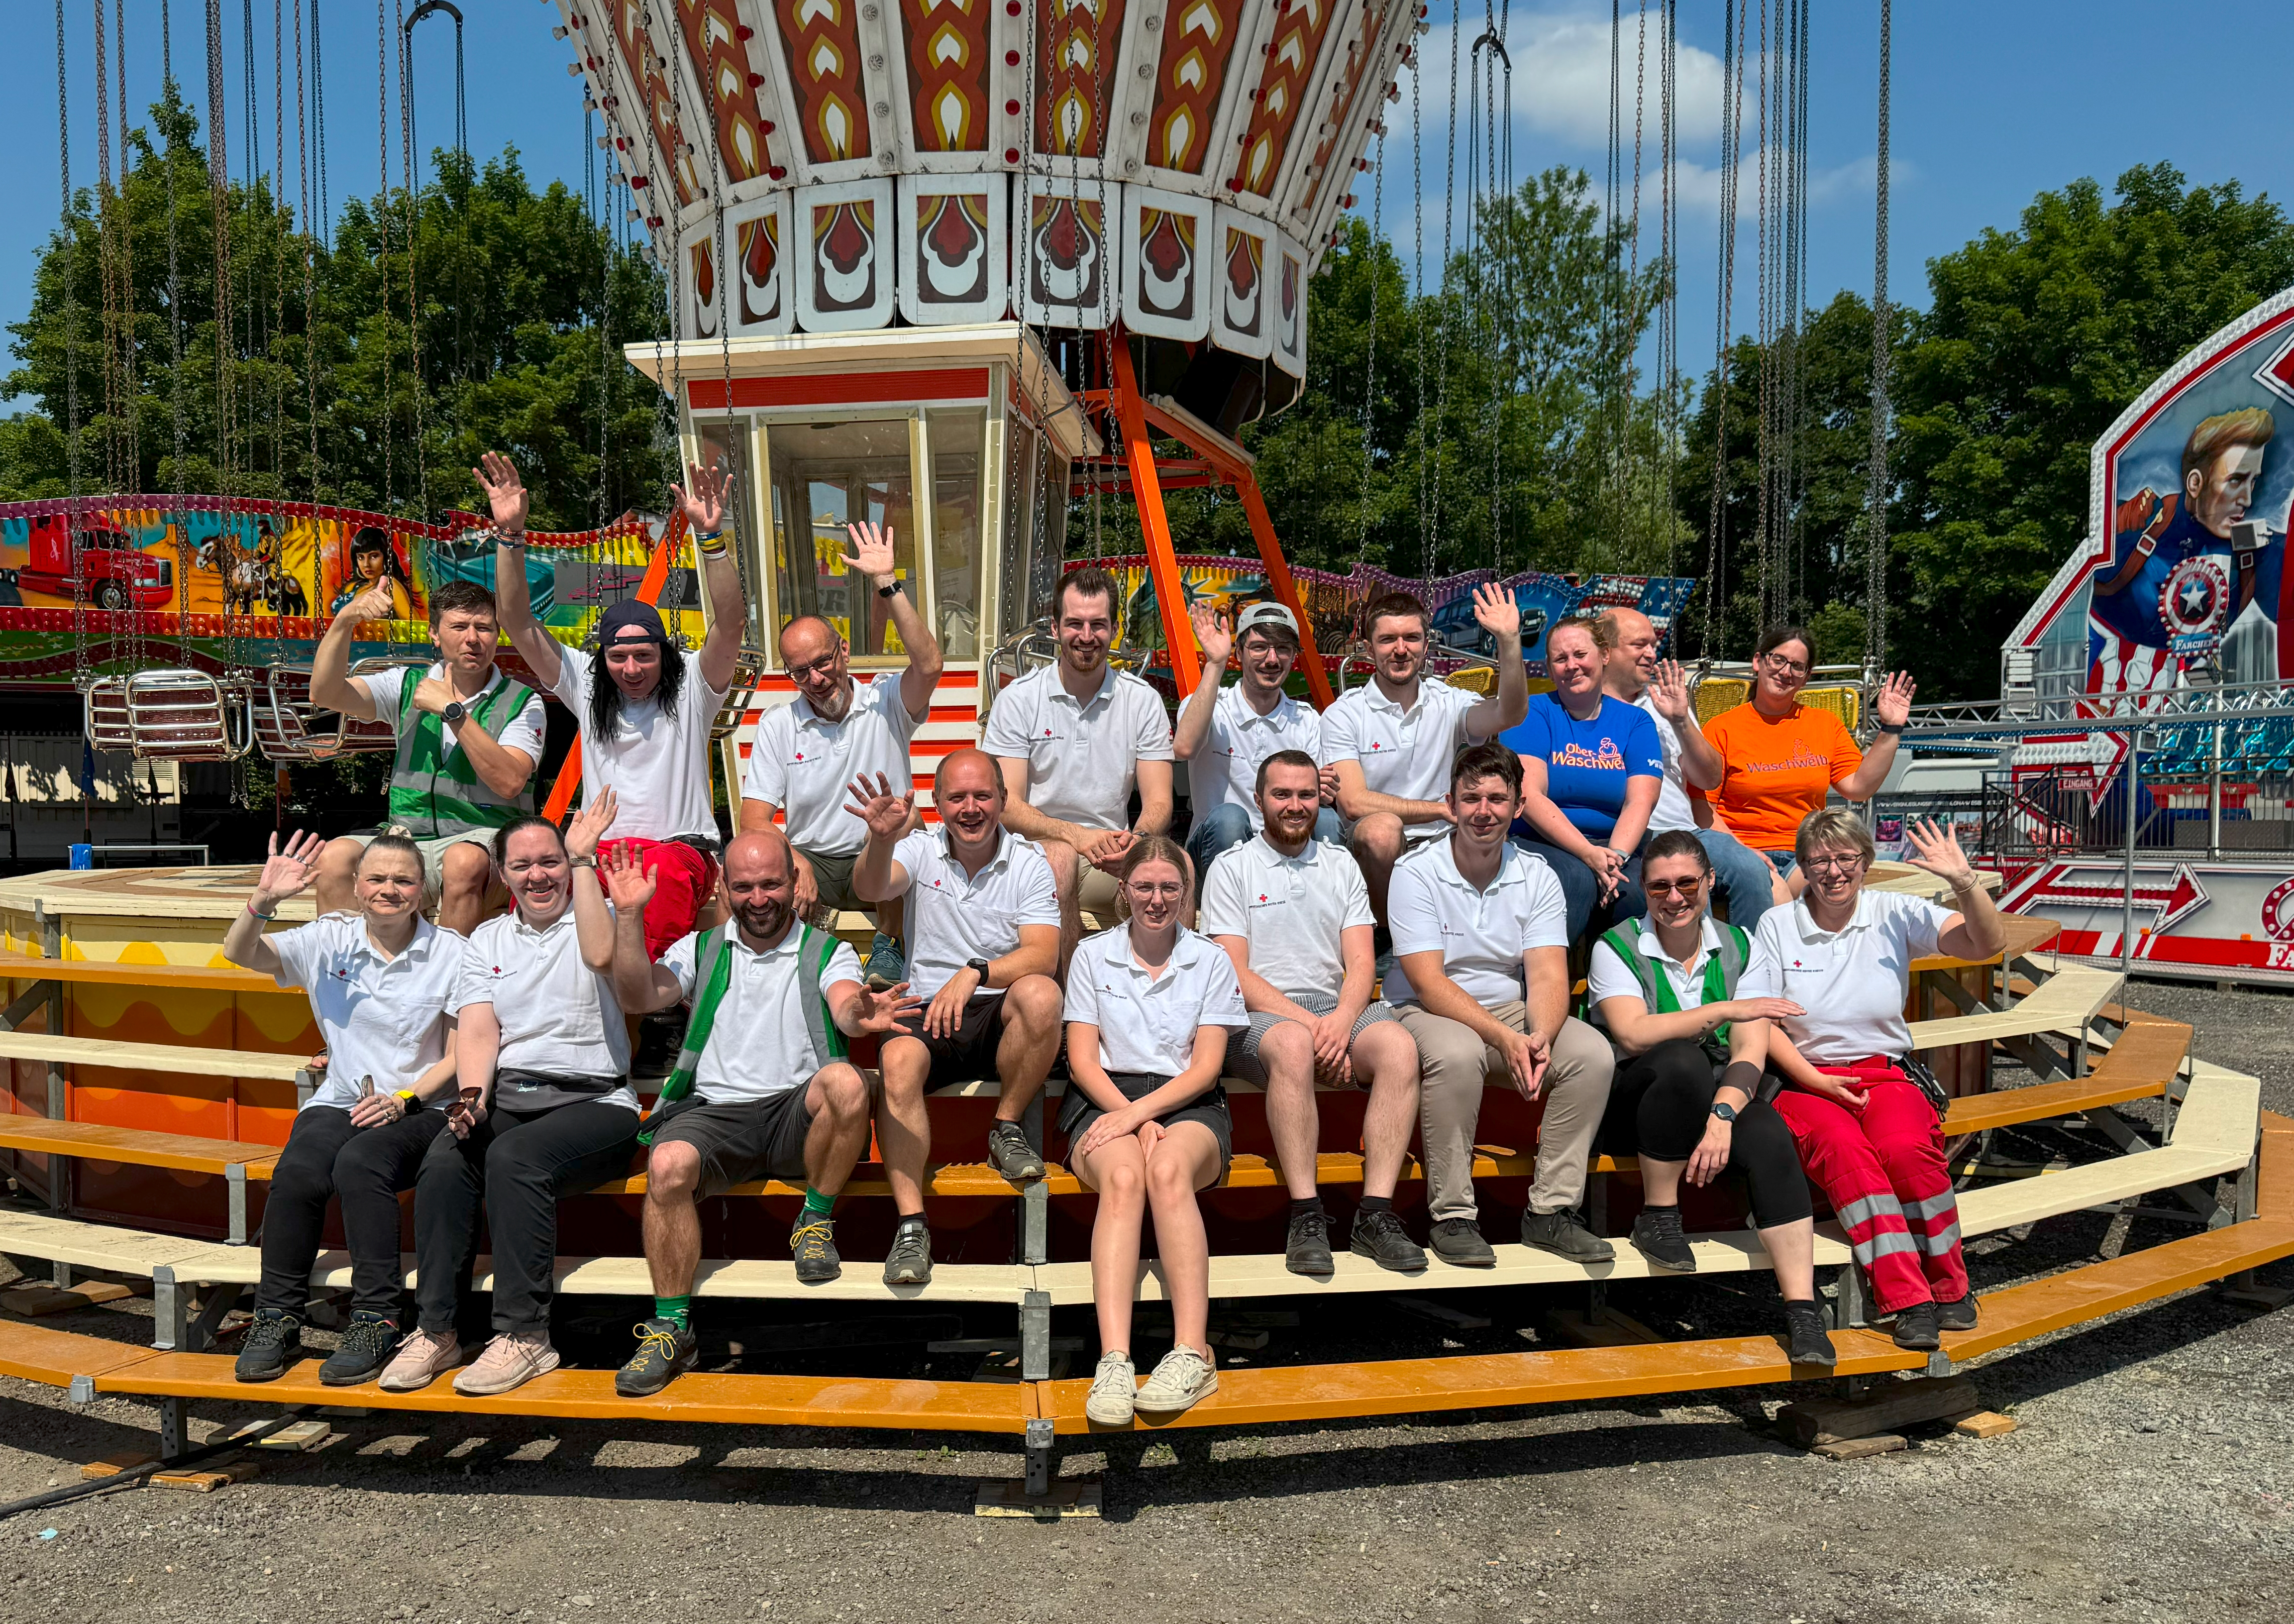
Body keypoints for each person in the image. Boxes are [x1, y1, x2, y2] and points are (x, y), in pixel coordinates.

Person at [600, 829, 915, 1395]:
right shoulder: (703, 945)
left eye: (771, 882)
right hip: (718, 1110)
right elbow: (638, 996)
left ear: (796, 884)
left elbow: (844, 999)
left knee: (847, 1080)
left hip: (796, 1113)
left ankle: (815, 1220)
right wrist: (628, 915)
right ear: (724, 886)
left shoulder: (828, 948)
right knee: (667, 1162)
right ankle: (672, 1326)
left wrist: (857, 1013)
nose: (759, 897)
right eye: (744, 886)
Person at [379, 798, 640, 1396]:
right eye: (521, 865)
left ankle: (526, 1335)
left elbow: (603, 957)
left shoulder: (593, 917)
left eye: (550, 861)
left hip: (596, 1103)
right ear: (502, 874)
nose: (537, 875)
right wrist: (471, 1097)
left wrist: (582, 860)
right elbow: (477, 1027)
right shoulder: (488, 939)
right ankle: (437, 1329)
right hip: (514, 1096)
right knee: (446, 1158)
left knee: (514, 1158)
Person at [1740, 810, 2005, 1351]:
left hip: (1884, 1073)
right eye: (1818, 860)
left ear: (1866, 860)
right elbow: (1759, 1015)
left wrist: (1964, 882)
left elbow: (1985, 944)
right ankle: (1907, 1300)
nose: (1833, 871)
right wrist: (1815, 1079)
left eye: (1845, 858)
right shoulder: (1778, 923)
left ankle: (1952, 1286)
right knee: (1848, 1156)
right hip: (1808, 1078)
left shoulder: (1895, 910)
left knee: (1908, 1151)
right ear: (1803, 864)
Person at [482, 449, 749, 957]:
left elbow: (731, 623)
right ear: (602, 657)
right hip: (600, 850)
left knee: (661, 887)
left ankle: (661, 1005)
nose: (631, 669)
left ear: (664, 653)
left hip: (679, 849)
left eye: (644, 656)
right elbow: (517, 622)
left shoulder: (692, 683)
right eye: (619, 657)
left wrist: (711, 541)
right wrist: (510, 536)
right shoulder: (585, 682)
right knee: (539, 890)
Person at [222, 832, 465, 1385]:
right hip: (344, 1097)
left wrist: (404, 1101)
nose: (389, 889)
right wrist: (264, 898)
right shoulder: (329, 938)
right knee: (299, 1169)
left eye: (403, 880)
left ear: (423, 892)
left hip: (421, 1104)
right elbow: (242, 952)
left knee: (362, 1163)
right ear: (356, 887)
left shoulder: (451, 951)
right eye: (376, 878)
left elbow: (459, 1054)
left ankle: (376, 1317)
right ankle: (276, 1314)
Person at [1587, 829, 1834, 1367]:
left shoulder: (1742, 944)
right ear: (1644, 891)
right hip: (1639, 1104)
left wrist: (1724, 1115)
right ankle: (1659, 1215)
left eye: (1686, 883)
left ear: (1710, 882)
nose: (1673, 897)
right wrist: (1721, 1011)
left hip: (1713, 1096)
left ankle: (1803, 1309)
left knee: (1767, 1133)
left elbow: (1752, 1045)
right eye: (1658, 887)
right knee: (1680, 1057)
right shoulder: (1618, 945)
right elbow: (1632, 1034)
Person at [1385, 744, 1616, 1267]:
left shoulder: (1537, 875)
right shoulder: (1416, 871)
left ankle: (1550, 1212)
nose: (1483, 810)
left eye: (1496, 798)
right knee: (1458, 1052)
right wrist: (1505, 1037)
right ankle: (1453, 1215)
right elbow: (1427, 982)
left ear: (1517, 806)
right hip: (1426, 1010)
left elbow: (1550, 974)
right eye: (1471, 798)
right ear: (1451, 803)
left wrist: (1541, 1035)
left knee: (1593, 1054)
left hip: (1508, 1011)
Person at [1199, 750, 1425, 1277]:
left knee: (1399, 1046)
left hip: (1335, 1009)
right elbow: (1234, 972)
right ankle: (1306, 1215)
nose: (1295, 805)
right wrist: (1315, 1029)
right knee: (1296, 1044)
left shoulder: (1341, 863)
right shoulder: (1233, 867)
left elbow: (1362, 960)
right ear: (1259, 801)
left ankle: (1374, 1214)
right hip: (1258, 1014)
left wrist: (1342, 1021)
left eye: (1305, 794)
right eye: (1282, 794)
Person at [847, 750, 1065, 1283]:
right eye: (957, 797)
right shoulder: (918, 849)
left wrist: (975, 972)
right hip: (927, 1008)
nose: (971, 808)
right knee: (895, 1058)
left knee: (1042, 994)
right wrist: (879, 837)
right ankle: (913, 1226)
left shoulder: (1029, 861)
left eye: (983, 795)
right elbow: (871, 888)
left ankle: (1005, 1127)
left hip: (993, 1007)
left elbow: (1043, 953)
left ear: (1004, 800)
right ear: (938, 803)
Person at [1066, 838, 1248, 1426]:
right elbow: (1084, 1062)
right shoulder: (1092, 956)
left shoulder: (1211, 958)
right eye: (1144, 886)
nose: (1156, 898)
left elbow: (1206, 1067)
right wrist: (1130, 1117)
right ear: (1124, 890)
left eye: (1170, 887)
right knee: (1123, 1175)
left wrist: (1143, 1118)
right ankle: (1115, 1359)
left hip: (1187, 1097)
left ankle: (1193, 1352)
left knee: (1168, 1171)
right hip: (1105, 1095)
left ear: (1185, 893)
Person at [738, 518, 941, 985]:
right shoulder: (780, 723)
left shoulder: (887, 700)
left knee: (901, 820)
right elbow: (753, 819)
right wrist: (795, 858)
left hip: (880, 852)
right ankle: (762, 979)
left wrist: (887, 584)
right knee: (758, 865)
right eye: (800, 671)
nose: (815, 679)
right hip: (819, 858)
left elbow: (929, 664)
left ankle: (889, 945)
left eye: (823, 662)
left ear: (844, 652)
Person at [309, 578, 547, 933]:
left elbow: (510, 781)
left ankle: (451, 983)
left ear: (498, 636)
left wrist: (452, 711)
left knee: (463, 861)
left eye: (484, 628)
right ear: (435, 634)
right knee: (334, 857)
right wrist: (344, 622)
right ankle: (342, 975)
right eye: (459, 626)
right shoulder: (406, 684)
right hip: (409, 839)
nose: (473, 638)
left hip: (487, 844)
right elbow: (326, 693)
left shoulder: (524, 702)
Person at [981, 565, 1174, 968]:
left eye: (1098, 625)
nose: (1086, 637)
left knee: (1178, 866)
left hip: (1113, 851)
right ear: (1055, 628)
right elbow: (1009, 806)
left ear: (1115, 629)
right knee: (1060, 860)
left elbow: (1159, 802)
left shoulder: (1142, 701)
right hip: (1035, 852)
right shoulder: (1019, 699)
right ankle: (1072, 1009)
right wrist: (1078, 837)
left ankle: (1168, 1006)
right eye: (1075, 624)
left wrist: (1136, 842)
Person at [1321, 586, 1529, 924]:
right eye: (1388, 639)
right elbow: (1354, 803)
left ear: (1426, 646)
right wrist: (1442, 810)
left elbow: (1510, 713)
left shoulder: (1448, 700)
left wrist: (1509, 641)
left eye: (1411, 638)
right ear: (1368, 649)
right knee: (1382, 831)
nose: (1401, 650)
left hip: (1445, 839)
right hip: (1377, 850)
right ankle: (1390, 938)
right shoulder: (1345, 713)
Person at [1600, 606, 1786, 924]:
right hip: (1629, 834)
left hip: (1688, 830)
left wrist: (1681, 721)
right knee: (1688, 880)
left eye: (1654, 646)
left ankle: (1755, 967)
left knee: (1751, 869)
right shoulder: (1586, 706)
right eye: (1639, 645)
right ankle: (1699, 968)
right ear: (1606, 652)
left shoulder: (1666, 700)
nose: (1651, 654)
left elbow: (1710, 778)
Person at [1693, 626, 1915, 883]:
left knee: (1832, 885)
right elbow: (1702, 808)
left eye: (1797, 666)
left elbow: (1858, 787)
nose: (1786, 672)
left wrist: (1891, 729)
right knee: (1773, 886)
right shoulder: (1722, 728)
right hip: (1741, 851)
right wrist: (1741, 852)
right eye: (1778, 660)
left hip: (1806, 853)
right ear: (1758, 661)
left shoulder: (1824, 724)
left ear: (1806, 676)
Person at [2089, 406, 2282, 696]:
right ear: (2195, 483)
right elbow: (2080, 593)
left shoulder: (2257, 552)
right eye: (2236, 481)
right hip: (2100, 692)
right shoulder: (2142, 523)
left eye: (2253, 481)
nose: (2247, 499)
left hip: (2190, 711)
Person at [1501, 613, 1664, 942]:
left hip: (1616, 843)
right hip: (1541, 839)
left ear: (1604, 656)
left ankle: (1620, 984)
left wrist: (1614, 858)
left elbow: (1640, 801)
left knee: (1637, 889)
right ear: (1549, 669)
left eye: (1580, 655)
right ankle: (1545, 982)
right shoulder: (1532, 712)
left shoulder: (1636, 721)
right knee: (1576, 878)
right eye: (1560, 659)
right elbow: (1529, 794)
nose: (1572, 665)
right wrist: (1588, 854)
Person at [1172, 599, 1338, 876]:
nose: (1272, 660)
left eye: (1283, 649)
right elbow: (1185, 748)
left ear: (1294, 656)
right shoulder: (1213, 706)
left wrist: (1321, 790)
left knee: (1328, 821)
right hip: (1217, 849)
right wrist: (1215, 664)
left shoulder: (1307, 719)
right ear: (1239, 652)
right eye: (1260, 648)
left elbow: (1318, 798)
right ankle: (1225, 908)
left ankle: (1324, 904)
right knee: (1230, 818)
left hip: (1286, 846)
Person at [328, 525, 412, 619]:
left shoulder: (390, 585)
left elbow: (414, 624)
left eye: (374, 556)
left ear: (386, 557)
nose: (366, 564)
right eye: (361, 558)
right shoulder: (354, 586)